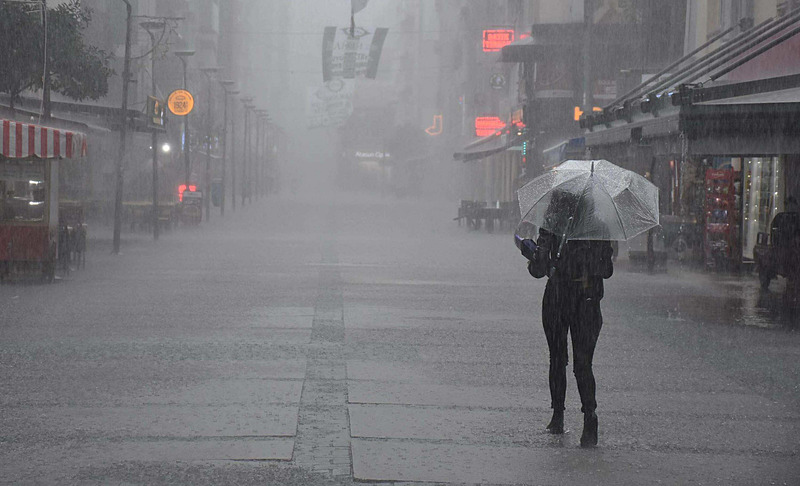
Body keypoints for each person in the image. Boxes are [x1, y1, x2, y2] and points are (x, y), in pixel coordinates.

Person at [521, 190, 614, 447]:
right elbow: (607, 270)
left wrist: (531, 254)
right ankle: (589, 418)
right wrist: (587, 266)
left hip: (558, 299)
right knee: (583, 364)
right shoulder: (599, 229)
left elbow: (538, 269)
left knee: (558, 359)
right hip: (587, 302)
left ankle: (558, 416)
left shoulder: (552, 226)